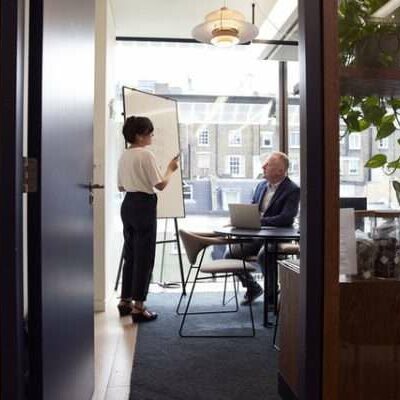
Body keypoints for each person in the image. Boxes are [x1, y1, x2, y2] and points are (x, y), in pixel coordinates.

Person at [117, 116, 179, 323]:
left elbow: (121, 186)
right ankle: (139, 307)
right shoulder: (146, 154)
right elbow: (160, 184)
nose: (151, 136)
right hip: (143, 204)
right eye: (149, 133)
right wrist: (171, 169)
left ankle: (125, 301)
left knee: (131, 253)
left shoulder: (124, 156)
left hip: (127, 204)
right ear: (139, 135)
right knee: (144, 256)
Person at [226, 151, 300, 305]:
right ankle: (253, 288)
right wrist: (244, 218)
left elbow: (286, 218)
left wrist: (261, 221)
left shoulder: (292, 189)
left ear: (280, 170)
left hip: (277, 236)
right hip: (257, 235)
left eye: (268, 164)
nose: (263, 167)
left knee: (264, 255)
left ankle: (272, 296)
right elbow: (253, 209)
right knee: (230, 254)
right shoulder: (261, 186)